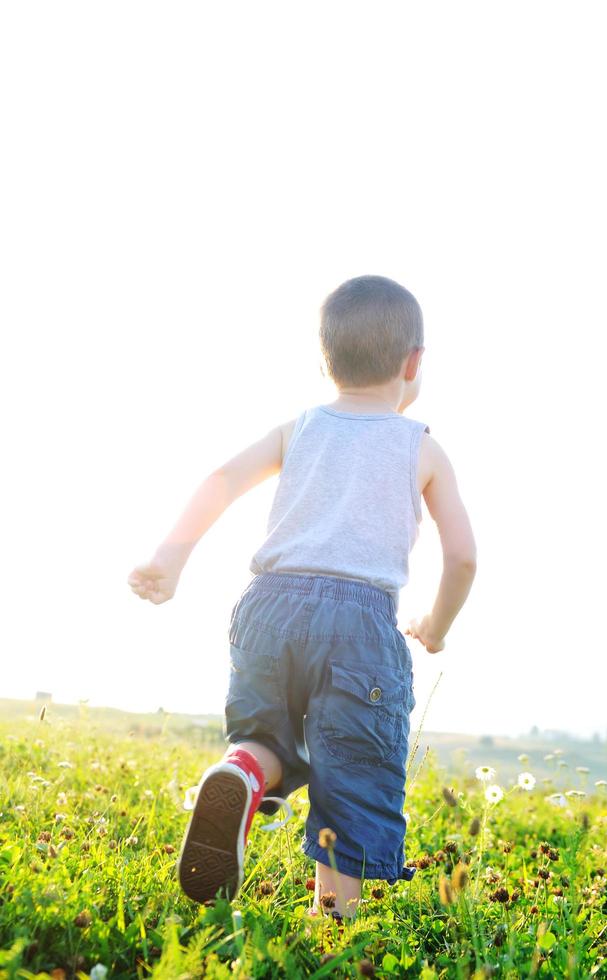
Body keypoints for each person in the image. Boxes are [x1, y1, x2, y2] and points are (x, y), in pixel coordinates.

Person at [127, 274, 477, 919]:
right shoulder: (421, 446)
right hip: (361, 622)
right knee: (354, 767)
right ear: (414, 363)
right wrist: (437, 623)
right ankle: (333, 920)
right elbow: (461, 555)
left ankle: (243, 770)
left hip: (268, 605)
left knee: (268, 737)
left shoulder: (300, 429)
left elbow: (222, 478)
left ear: (325, 362)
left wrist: (171, 557)